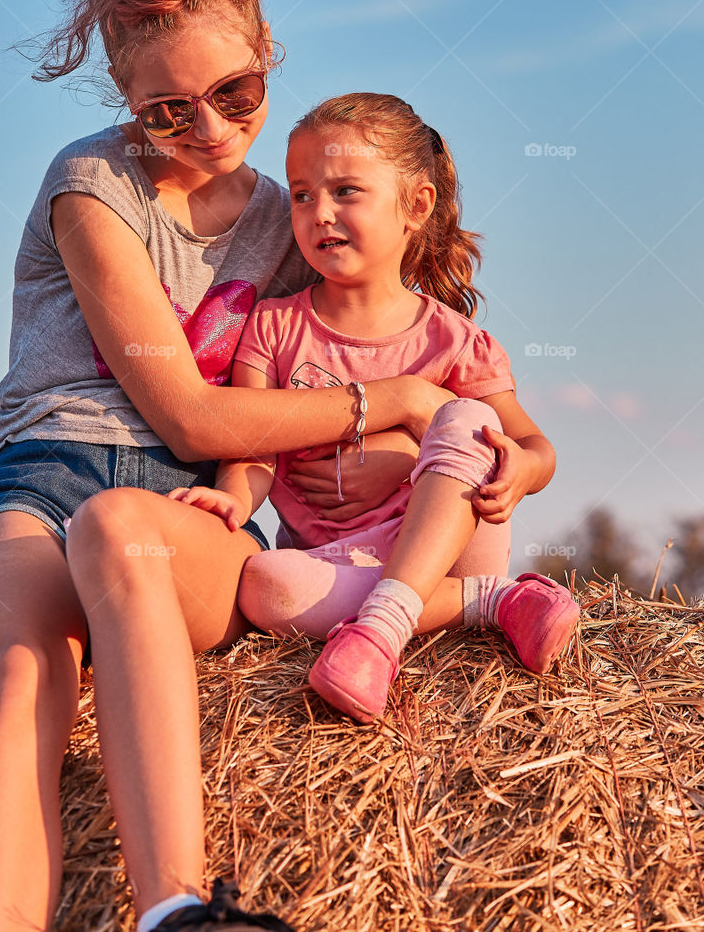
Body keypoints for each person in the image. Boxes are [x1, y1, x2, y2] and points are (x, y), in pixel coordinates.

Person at [0, 0, 458, 932]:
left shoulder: (293, 217)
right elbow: (189, 414)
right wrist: (388, 401)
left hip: (193, 514)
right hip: (43, 479)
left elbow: (390, 332)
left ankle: (178, 908)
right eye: (166, 111)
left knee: (126, 535)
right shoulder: (91, 186)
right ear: (124, 95)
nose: (207, 127)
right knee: (20, 670)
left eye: (237, 92)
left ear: (267, 48)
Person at [171, 93, 581, 723]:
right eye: (302, 195)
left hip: (451, 539)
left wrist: (522, 470)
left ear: (415, 205)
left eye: (346, 191)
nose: (319, 213)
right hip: (334, 567)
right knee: (263, 586)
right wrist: (233, 496)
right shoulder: (273, 327)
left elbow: (534, 447)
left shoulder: (452, 340)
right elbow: (252, 443)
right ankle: (489, 603)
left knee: (470, 420)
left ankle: (379, 633)